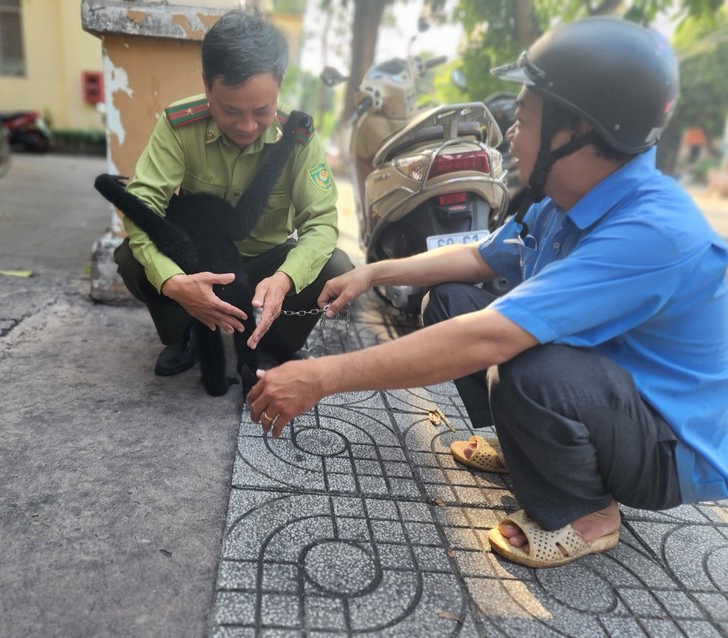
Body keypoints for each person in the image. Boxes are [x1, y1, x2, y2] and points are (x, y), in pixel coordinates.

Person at [247, 17, 728, 569]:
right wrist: (372, 273)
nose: (509, 136)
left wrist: (321, 377)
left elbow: (491, 338)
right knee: (450, 299)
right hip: (612, 395)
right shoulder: (566, 197)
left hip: (667, 445)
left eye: (523, 119)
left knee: (526, 366)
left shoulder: (652, 231)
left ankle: (589, 511)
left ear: (576, 131)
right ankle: (534, 447)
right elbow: (481, 256)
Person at [115, 9, 353, 377]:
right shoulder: (180, 125)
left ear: (279, 87)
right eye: (230, 111)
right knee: (133, 256)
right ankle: (184, 335)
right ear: (207, 86)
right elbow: (143, 204)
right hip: (200, 257)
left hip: (267, 261)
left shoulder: (299, 138)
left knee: (336, 266)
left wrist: (286, 278)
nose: (247, 126)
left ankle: (278, 340)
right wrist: (173, 281)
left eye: (262, 111)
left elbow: (320, 222)